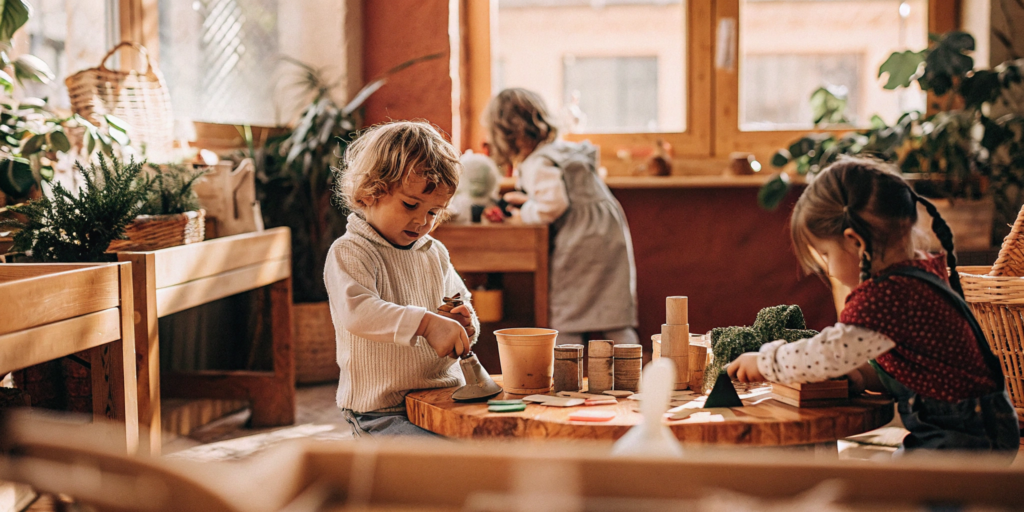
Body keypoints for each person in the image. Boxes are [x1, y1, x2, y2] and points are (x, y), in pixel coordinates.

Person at [727, 158, 1019, 455]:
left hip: (964, 437)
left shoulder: (887, 295)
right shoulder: (916, 273)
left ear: (855, 242)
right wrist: (863, 375)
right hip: (979, 426)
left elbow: (826, 353)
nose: (828, 269)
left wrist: (766, 361)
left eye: (826, 254)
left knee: (875, 494)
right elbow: (916, 359)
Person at [326, 121, 479, 437]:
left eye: (434, 212)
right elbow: (358, 312)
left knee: (501, 447)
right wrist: (427, 324)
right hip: (382, 411)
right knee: (434, 466)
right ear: (371, 192)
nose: (422, 221)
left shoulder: (433, 252)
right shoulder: (350, 251)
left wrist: (463, 322)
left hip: (444, 397)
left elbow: (458, 301)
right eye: (411, 204)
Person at [483, 88, 638, 346]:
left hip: (580, 241)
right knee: (615, 315)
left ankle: (567, 375)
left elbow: (553, 205)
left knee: (569, 313)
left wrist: (525, 213)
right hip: (609, 233)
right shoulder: (564, 151)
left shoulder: (537, 163)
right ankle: (637, 373)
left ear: (508, 136)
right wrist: (532, 201)